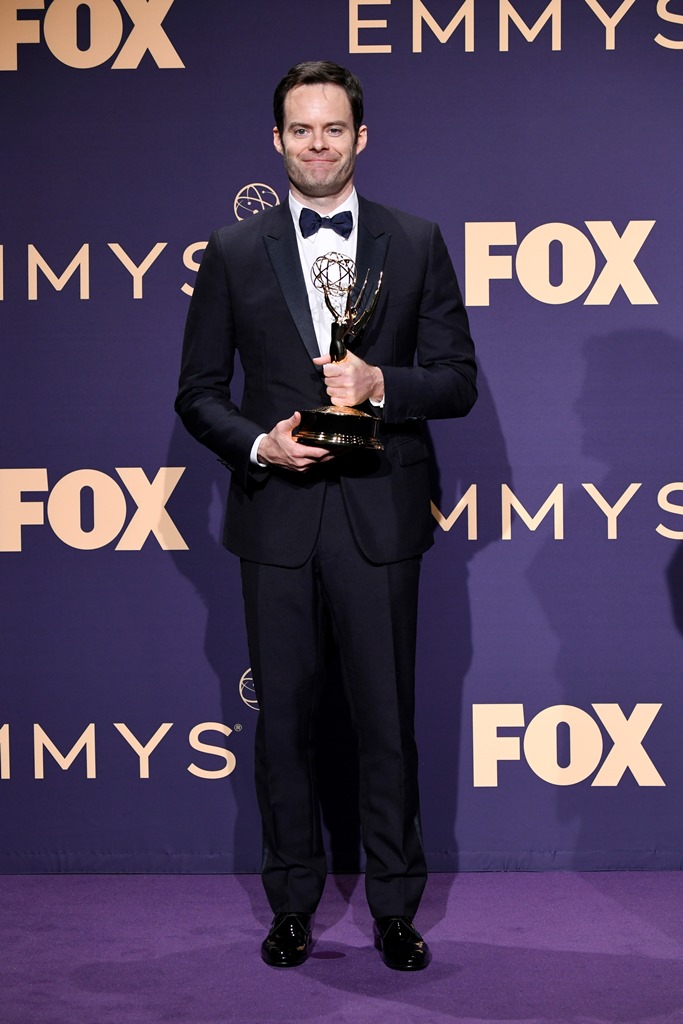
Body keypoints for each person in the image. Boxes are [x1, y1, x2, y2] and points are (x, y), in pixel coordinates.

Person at [175, 60, 477, 970]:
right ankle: (291, 905)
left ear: (360, 138)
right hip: (276, 520)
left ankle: (394, 910)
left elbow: (457, 381)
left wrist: (382, 383)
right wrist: (259, 445)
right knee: (284, 727)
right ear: (276, 140)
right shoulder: (233, 251)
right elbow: (198, 393)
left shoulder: (415, 241)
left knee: (386, 724)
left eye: (333, 129)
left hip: (380, 518)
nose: (317, 145)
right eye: (301, 130)